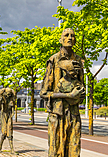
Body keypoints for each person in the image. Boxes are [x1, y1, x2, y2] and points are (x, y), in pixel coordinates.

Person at [40, 28, 85, 157]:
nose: (70, 38)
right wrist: (68, 96)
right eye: (66, 35)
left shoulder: (79, 61)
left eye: (72, 35)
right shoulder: (53, 60)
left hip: (74, 114)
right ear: (61, 40)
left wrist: (79, 96)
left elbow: (82, 89)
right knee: (56, 152)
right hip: (57, 114)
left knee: (74, 152)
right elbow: (43, 93)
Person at [0, 87, 15, 153]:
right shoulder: (2, 98)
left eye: (9, 94)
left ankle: (12, 149)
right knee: (4, 132)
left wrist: (12, 113)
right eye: (7, 94)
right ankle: (0, 148)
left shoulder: (11, 99)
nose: (8, 95)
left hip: (9, 115)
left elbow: (12, 109)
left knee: (10, 131)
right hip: (3, 115)